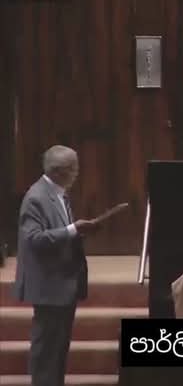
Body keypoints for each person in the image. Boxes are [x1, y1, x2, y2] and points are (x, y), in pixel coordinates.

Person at [13, 145, 100, 386]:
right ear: (60, 171)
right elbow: (33, 239)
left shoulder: (58, 193)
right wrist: (72, 229)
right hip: (48, 285)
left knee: (58, 347)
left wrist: (78, 232)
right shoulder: (36, 197)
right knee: (47, 348)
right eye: (74, 168)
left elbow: (59, 233)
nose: (77, 173)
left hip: (63, 284)